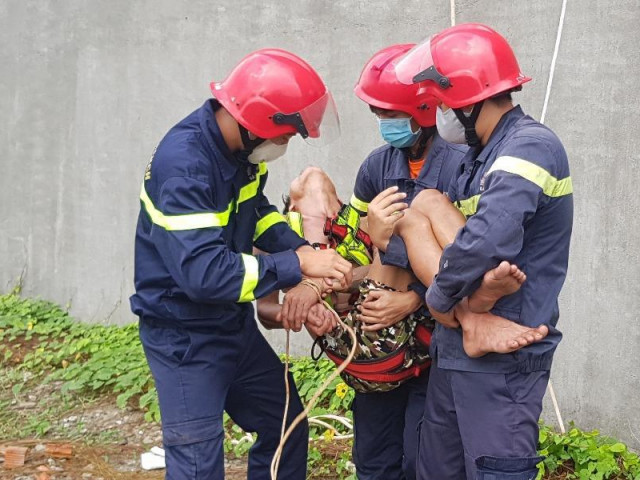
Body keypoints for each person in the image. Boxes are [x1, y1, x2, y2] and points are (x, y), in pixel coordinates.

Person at [129, 49, 353, 480]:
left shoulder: (240, 157)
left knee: (285, 425)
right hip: (184, 337)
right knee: (198, 466)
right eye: (286, 136)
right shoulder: (185, 166)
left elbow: (258, 214)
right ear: (256, 125)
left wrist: (309, 258)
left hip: (230, 328)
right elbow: (205, 275)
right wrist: (294, 264)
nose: (285, 146)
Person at [391, 23, 574, 480]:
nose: (439, 116)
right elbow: (429, 237)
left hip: (504, 357)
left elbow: (488, 241)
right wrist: (461, 310)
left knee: (496, 471)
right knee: (438, 470)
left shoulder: (530, 147)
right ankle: (471, 315)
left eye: (442, 103)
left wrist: (437, 301)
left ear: (468, 100)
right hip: (459, 347)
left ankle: (470, 314)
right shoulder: (478, 156)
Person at [347, 43, 468, 480]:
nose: (384, 125)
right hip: (383, 339)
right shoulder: (376, 167)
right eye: (378, 115)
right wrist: (370, 238)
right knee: (374, 456)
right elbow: (352, 252)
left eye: (391, 115)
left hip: (434, 335)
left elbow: (468, 256)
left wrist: (414, 299)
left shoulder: (460, 167)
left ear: (424, 110)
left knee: (423, 456)